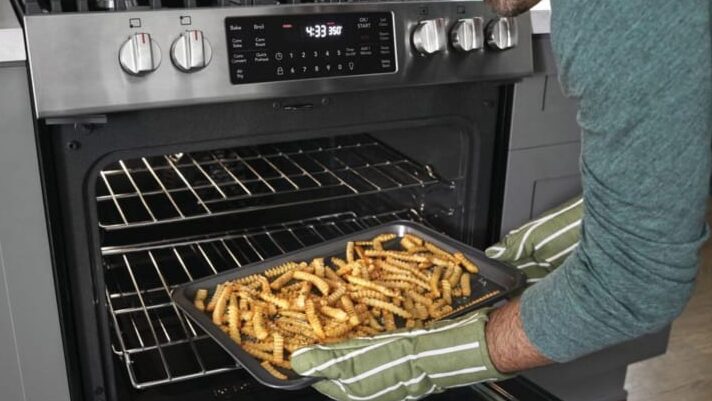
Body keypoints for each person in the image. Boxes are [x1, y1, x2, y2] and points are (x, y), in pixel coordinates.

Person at [290, 0, 712, 400]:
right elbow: (678, 161)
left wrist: (419, 360)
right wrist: (542, 247)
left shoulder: (615, 14)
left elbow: (633, 285)